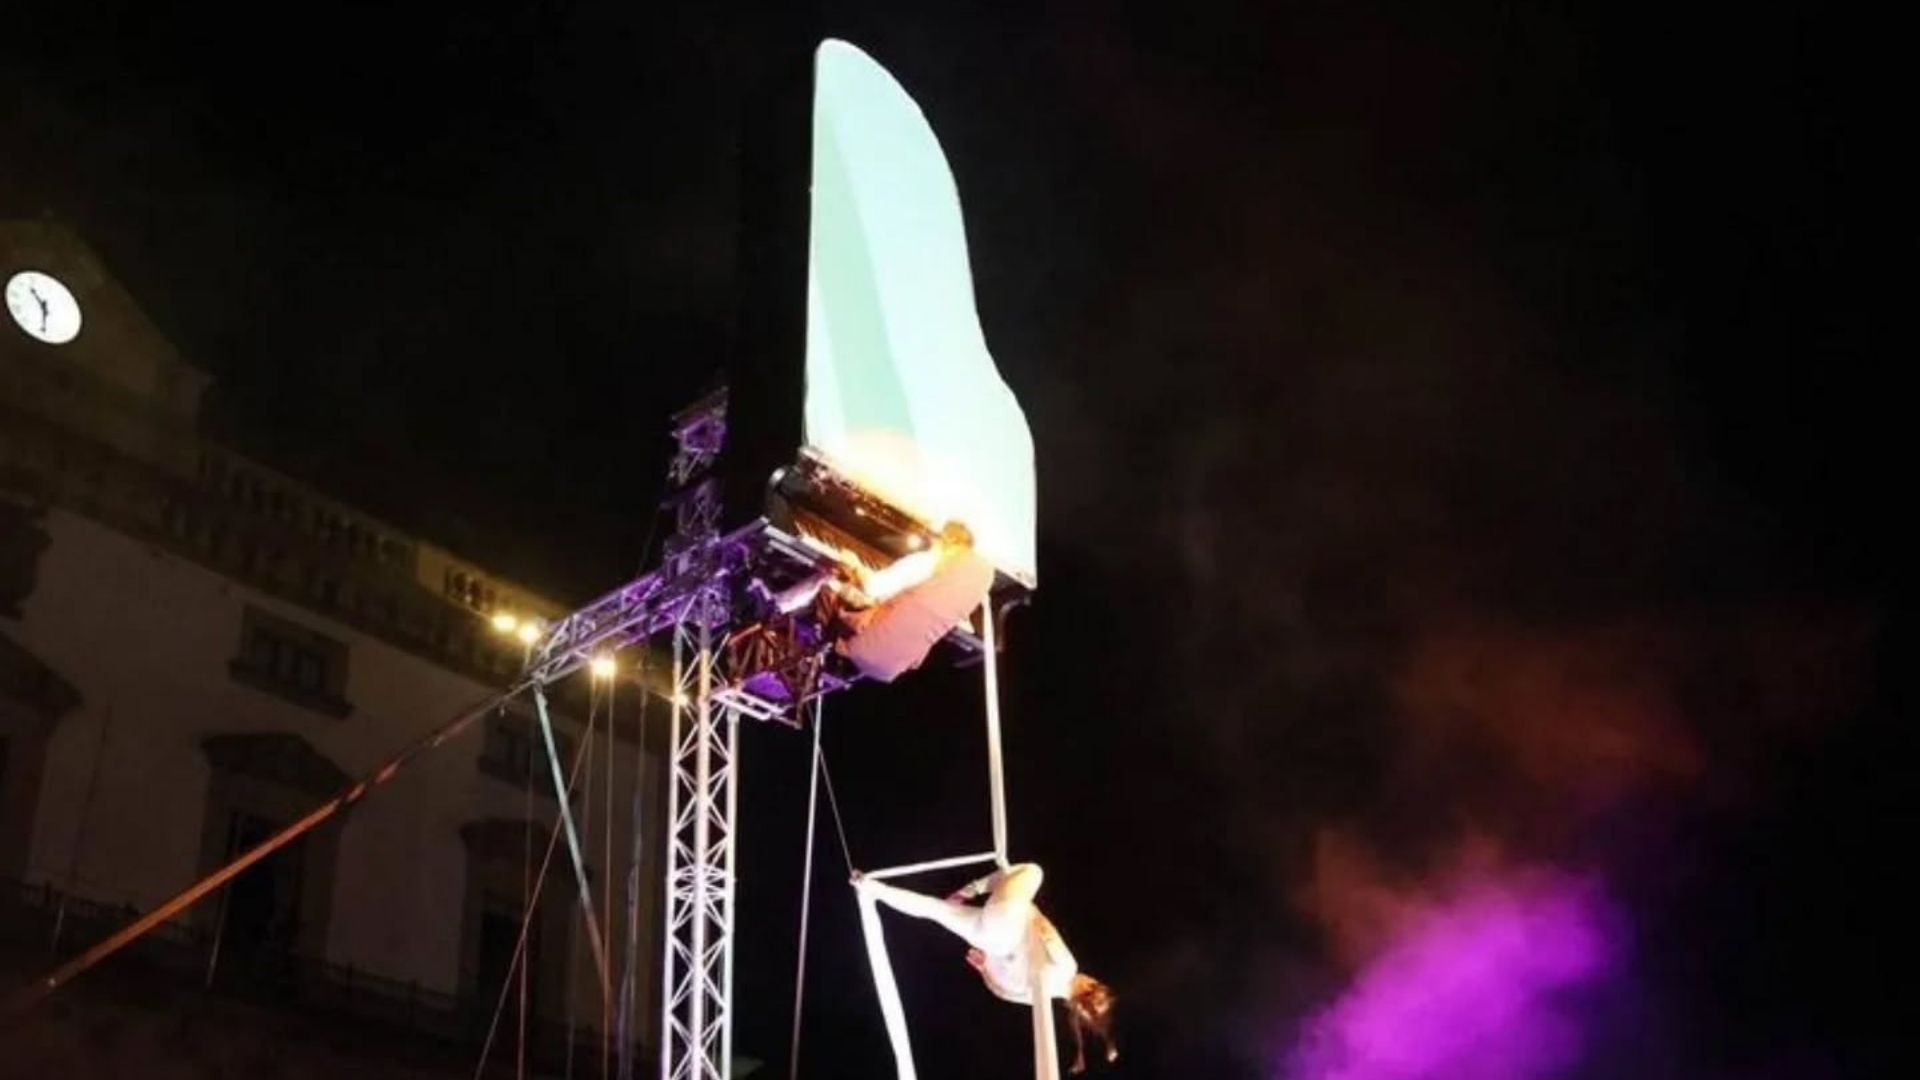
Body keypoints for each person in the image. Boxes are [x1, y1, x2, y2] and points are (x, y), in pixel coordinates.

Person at [853, 863, 1118, 1073]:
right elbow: (1000, 992)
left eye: (1093, 979)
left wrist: (1029, 906)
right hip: (989, 942)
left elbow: (1047, 933)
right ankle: (868, 886)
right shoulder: (1039, 999)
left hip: (1006, 925)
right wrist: (983, 968)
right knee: (934, 910)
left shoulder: (1069, 969)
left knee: (1033, 871)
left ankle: (970, 889)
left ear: (1089, 986)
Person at [833, 521, 995, 683]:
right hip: (893, 664)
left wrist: (854, 565)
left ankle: (819, 653)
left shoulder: (924, 562)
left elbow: (873, 588)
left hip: (859, 640)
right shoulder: (953, 584)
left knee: (827, 584)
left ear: (944, 541)